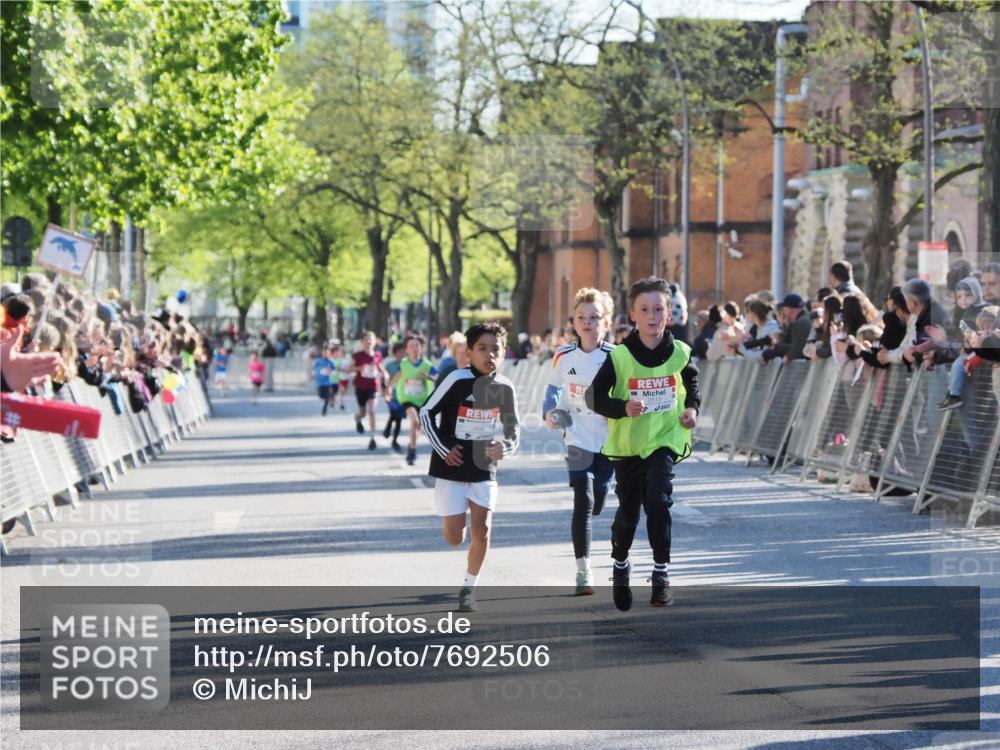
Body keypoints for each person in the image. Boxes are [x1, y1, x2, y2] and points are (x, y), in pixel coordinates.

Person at [586, 277, 700, 610]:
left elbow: (692, 384)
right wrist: (622, 408)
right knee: (629, 513)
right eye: (645, 310)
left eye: (659, 309)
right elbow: (594, 396)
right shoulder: (621, 356)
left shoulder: (679, 353)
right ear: (633, 315)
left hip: (665, 439)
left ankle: (661, 574)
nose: (652, 316)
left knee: (658, 501)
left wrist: (692, 409)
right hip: (629, 445)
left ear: (670, 313)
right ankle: (620, 565)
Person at [418, 321, 520, 613]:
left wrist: (505, 447)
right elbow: (426, 414)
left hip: (483, 466)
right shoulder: (456, 380)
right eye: (482, 349)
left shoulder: (505, 387)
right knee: (455, 537)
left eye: (495, 350)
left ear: (504, 353)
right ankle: (453, 522)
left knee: (483, 529)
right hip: (452, 464)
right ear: (469, 352)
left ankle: (469, 587)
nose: (489, 355)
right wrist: (444, 448)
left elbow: (513, 430)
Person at [542, 288, 616, 596]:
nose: (588, 323)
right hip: (576, 436)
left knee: (598, 498)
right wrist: (549, 411)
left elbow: (626, 392)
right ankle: (583, 571)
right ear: (574, 321)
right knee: (582, 501)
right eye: (582, 317)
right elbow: (553, 390)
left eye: (594, 317)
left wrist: (617, 411)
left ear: (606, 322)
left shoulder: (617, 356)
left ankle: (602, 490)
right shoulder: (563, 355)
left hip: (610, 440)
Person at [933, 276, 986, 411]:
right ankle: (952, 393)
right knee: (958, 364)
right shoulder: (964, 313)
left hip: (984, 350)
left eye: (968, 295)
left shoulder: (985, 309)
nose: (963, 300)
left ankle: (954, 396)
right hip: (973, 351)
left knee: (959, 364)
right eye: (959, 296)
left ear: (977, 292)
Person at [390, 335, 438, 465]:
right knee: (415, 420)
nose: (414, 348)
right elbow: (397, 377)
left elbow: (438, 378)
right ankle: (412, 449)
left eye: (417, 345)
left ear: (421, 348)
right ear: (406, 350)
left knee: (418, 425)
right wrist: (388, 388)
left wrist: (427, 376)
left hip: (423, 400)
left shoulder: (427, 365)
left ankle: (412, 447)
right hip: (407, 398)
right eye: (411, 346)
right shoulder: (404, 364)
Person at [348, 331, 383, 450]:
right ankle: (358, 418)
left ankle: (372, 438)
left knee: (372, 411)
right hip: (361, 387)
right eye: (366, 339)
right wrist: (360, 368)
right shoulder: (357, 355)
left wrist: (385, 374)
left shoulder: (378, 355)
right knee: (363, 412)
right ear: (362, 342)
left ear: (375, 341)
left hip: (373, 387)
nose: (369, 342)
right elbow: (349, 369)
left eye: (371, 339)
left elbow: (379, 367)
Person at [769, 294, 812, 362]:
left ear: (789, 309)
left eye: (784, 308)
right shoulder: (804, 318)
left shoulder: (800, 323)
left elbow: (799, 349)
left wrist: (788, 357)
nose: (783, 311)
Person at [382, 341, 406, 452]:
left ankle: (394, 439)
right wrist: (384, 390)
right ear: (395, 353)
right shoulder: (389, 365)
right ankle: (388, 428)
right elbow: (383, 379)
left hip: (404, 395)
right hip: (391, 394)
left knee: (399, 418)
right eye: (399, 352)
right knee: (394, 412)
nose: (401, 354)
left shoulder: (407, 365)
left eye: (403, 352)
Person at [313, 346, 336, 416]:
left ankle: (324, 409)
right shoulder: (318, 361)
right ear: (322, 353)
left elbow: (333, 371)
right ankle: (331, 396)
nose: (326, 354)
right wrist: (318, 372)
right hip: (320, 382)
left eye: (327, 353)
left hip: (327, 382)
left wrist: (330, 372)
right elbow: (314, 370)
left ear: (329, 353)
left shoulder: (330, 362)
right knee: (321, 396)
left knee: (326, 397)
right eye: (324, 352)